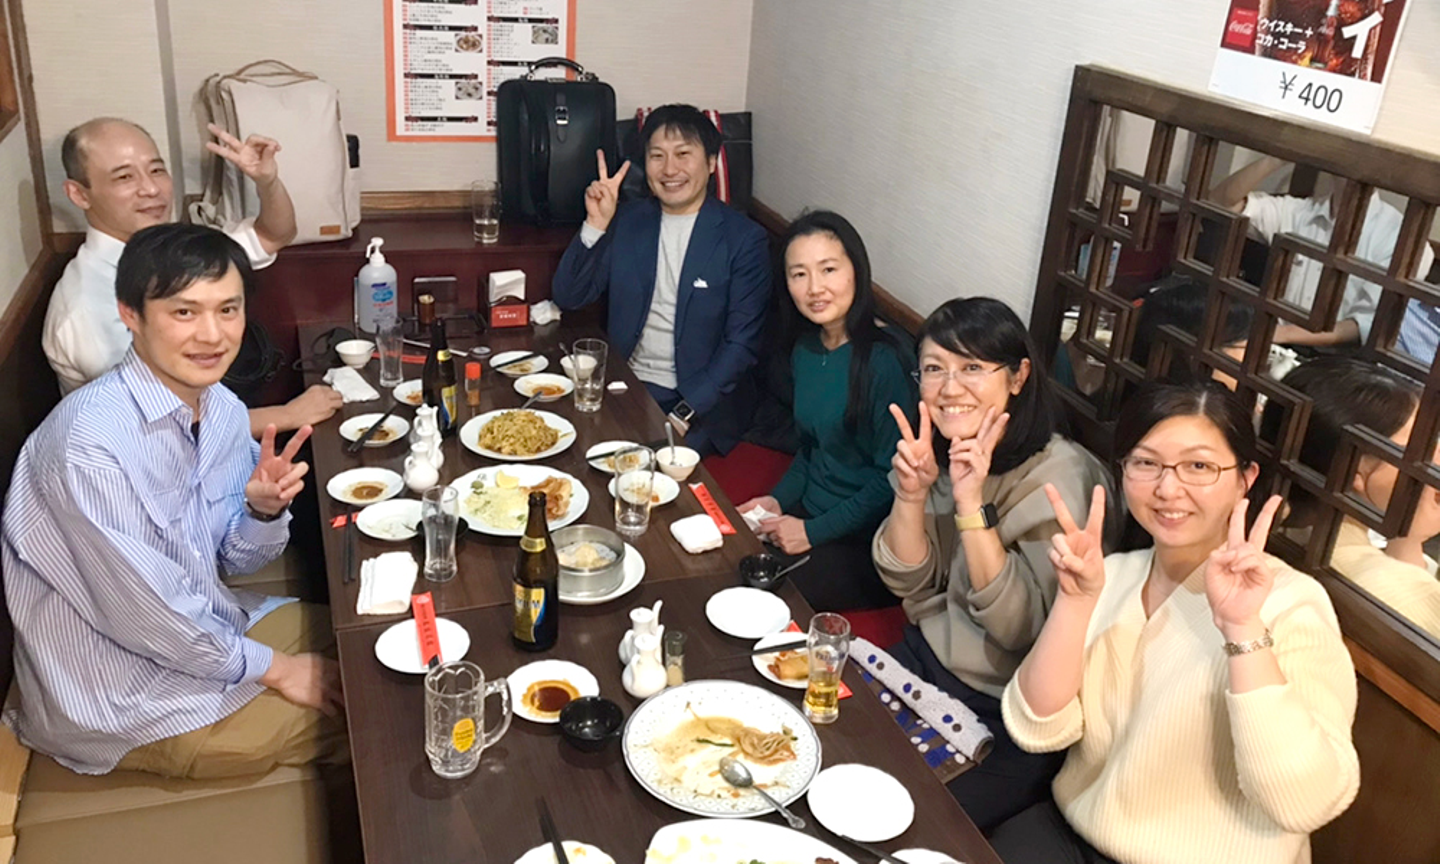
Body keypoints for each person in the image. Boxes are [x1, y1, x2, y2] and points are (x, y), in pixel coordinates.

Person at [3, 223, 347, 778]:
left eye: (228, 310)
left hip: (208, 625)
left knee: (377, 645)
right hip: (124, 693)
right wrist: (281, 669)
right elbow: (146, 615)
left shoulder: (221, 409)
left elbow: (235, 561)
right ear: (131, 315)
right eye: (184, 312)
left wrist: (261, 510)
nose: (212, 335)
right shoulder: (88, 447)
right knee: (376, 717)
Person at [992, 381, 1359, 864]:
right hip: (1076, 833)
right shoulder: (1114, 575)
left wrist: (1243, 628)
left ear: (1245, 478)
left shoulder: (1290, 603)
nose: (1168, 489)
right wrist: (1075, 601)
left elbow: (1303, 801)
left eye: (1199, 467)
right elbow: (1037, 727)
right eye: (1146, 463)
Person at [871, 297, 1118, 832]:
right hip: (925, 659)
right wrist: (912, 495)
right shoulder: (945, 448)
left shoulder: (1062, 479)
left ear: (1019, 376)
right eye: (934, 368)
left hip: (1006, 711)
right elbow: (905, 580)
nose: (950, 387)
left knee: (909, 828)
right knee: (822, 739)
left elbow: (1021, 632)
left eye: (973, 368)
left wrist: (971, 505)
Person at [42, 117, 341, 436]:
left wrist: (266, 182)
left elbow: (272, 234)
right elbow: (167, 419)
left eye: (156, 170)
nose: (151, 189)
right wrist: (288, 415)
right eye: (125, 177)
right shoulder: (86, 307)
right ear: (79, 194)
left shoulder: (170, 251)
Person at [551, 104, 770, 455]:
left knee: (638, 468)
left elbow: (741, 345)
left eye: (683, 154)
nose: (669, 169)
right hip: (625, 383)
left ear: (711, 163)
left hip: (698, 403)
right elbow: (569, 295)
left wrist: (685, 412)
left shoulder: (743, 239)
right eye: (657, 156)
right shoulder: (628, 220)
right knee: (560, 442)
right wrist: (595, 224)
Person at [737, 211, 915, 611]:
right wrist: (777, 501)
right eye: (799, 274)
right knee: (731, 560)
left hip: (867, 541)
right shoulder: (806, 349)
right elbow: (811, 447)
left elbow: (893, 480)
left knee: (762, 602)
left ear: (857, 271)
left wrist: (812, 532)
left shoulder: (885, 359)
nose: (814, 288)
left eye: (828, 269)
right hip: (810, 515)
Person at [1260, 357, 1440, 639]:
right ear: (1351, 470)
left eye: (1433, 440)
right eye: (1417, 451)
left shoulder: (1276, 526)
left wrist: (1407, 538)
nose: (1436, 461)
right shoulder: (1411, 596)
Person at [1210, 154, 1436, 349]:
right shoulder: (1300, 211)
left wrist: (1279, 335)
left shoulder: (1402, 239)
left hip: (1337, 362)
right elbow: (1222, 203)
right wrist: (1278, 157)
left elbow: (1365, 325)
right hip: (1272, 344)